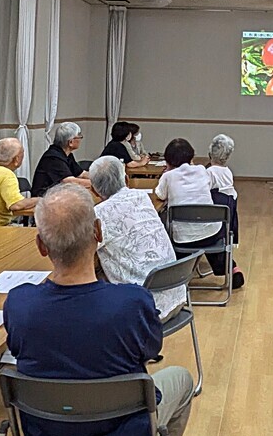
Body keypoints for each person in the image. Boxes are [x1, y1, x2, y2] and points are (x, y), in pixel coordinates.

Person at [3, 185, 194, 436]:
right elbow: (152, 351)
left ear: (41, 245)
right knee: (181, 378)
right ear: (99, 232)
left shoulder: (19, 304)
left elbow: (18, 351)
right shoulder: (132, 303)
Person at [88, 157, 186, 318]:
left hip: (146, 312)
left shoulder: (99, 214)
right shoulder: (142, 197)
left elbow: (81, 251)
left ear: (93, 190)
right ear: (126, 179)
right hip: (177, 296)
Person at [156, 136, 243, 288]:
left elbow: (160, 194)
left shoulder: (168, 176)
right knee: (207, 231)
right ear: (192, 158)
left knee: (167, 224)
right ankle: (230, 268)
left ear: (167, 161)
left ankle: (176, 274)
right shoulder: (203, 170)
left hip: (182, 239)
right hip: (211, 234)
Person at [31, 122, 92, 198]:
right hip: (43, 198)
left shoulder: (67, 154)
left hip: (57, 195)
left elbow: (81, 174)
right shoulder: (53, 157)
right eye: (79, 136)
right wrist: (96, 184)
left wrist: (99, 179)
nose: (81, 138)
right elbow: (69, 181)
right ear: (70, 142)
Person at [205, 133, 240, 244]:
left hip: (211, 219)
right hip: (227, 220)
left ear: (210, 153)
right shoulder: (228, 172)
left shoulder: (209, 173)